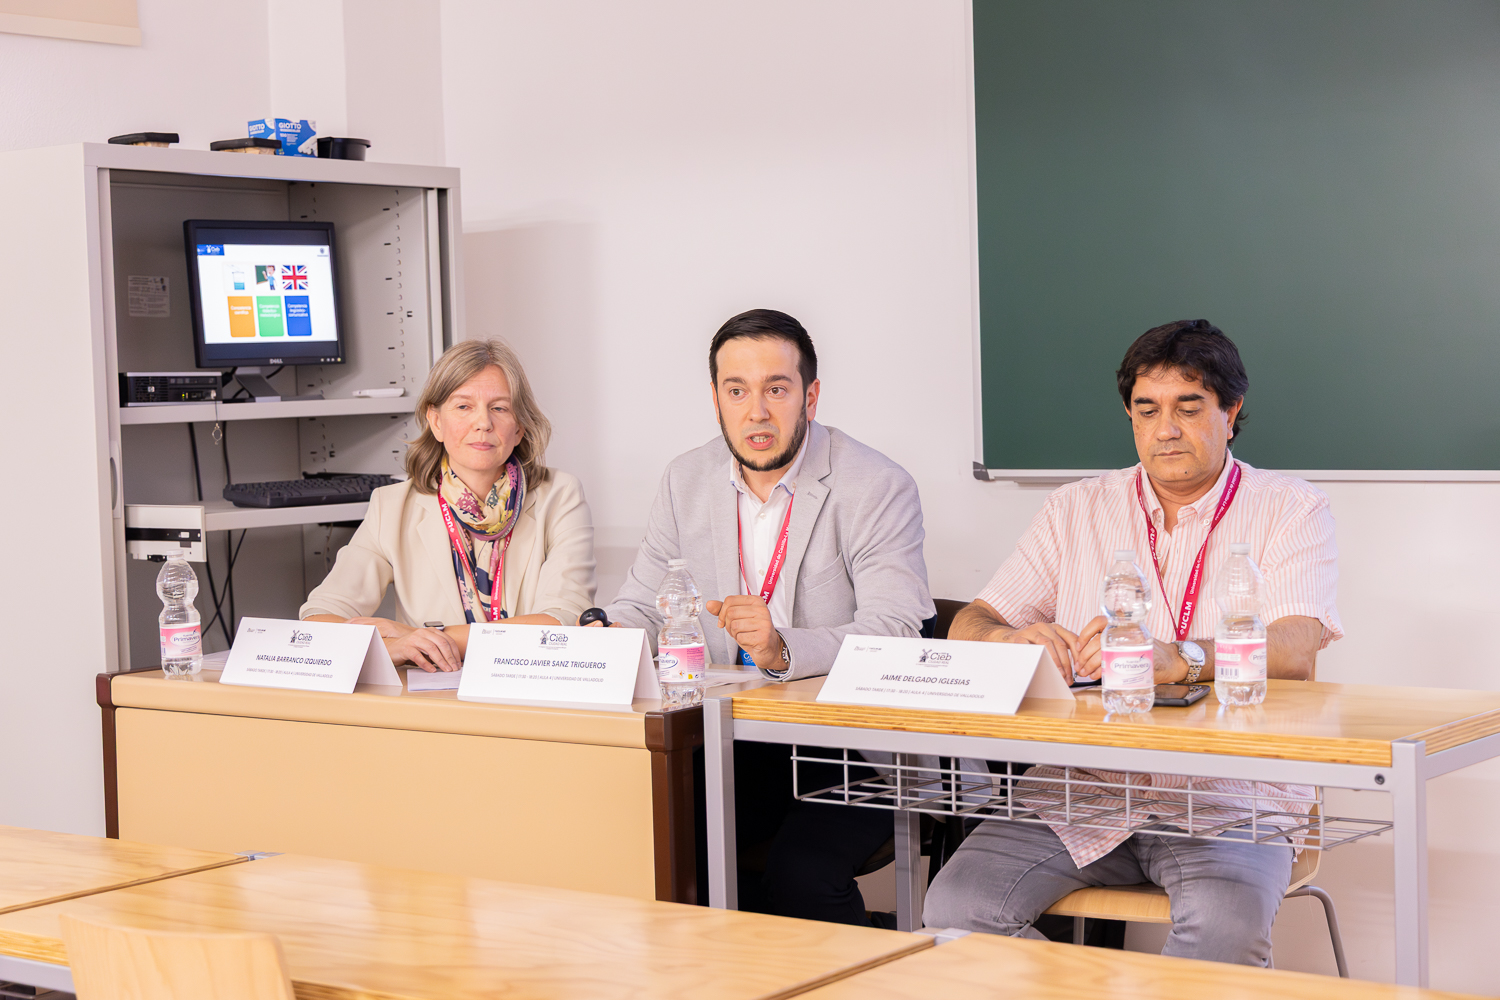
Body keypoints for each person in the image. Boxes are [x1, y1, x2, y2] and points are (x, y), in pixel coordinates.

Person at [923, 319, 1342, 966]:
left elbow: (1294, 648)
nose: (1165, 429)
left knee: (1223, 932)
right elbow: (970, 621)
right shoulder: (1076, 508)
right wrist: (1010, 638)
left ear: (1231, 412)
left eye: (1188, 408)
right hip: (1082, 787)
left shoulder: (1290, 508)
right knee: (955, 912)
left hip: (1229, 795)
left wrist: (1180, 658)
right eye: (1147, 410)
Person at [599, 308, 934, 924]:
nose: (756, 412)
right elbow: (644, 604)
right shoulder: (685, 479)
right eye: (737, 391)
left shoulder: (876, 485)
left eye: (776, 390)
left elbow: (897, 631)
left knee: (800, 876)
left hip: (846, 749)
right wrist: (604, 636)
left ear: (810, 396)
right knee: (647, 842)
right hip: (725, 740)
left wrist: (784, 648)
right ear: (715, 399)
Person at [301, 338, 596, 670]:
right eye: (464, 407)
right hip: (432, 694)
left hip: (528, 685)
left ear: (519, 428)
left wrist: (425, 638)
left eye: (499, 408)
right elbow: (320, 617)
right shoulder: (391, 507)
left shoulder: (560, 496)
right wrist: (391, 647)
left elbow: (563, 621)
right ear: (436, 422)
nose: (483, 423)